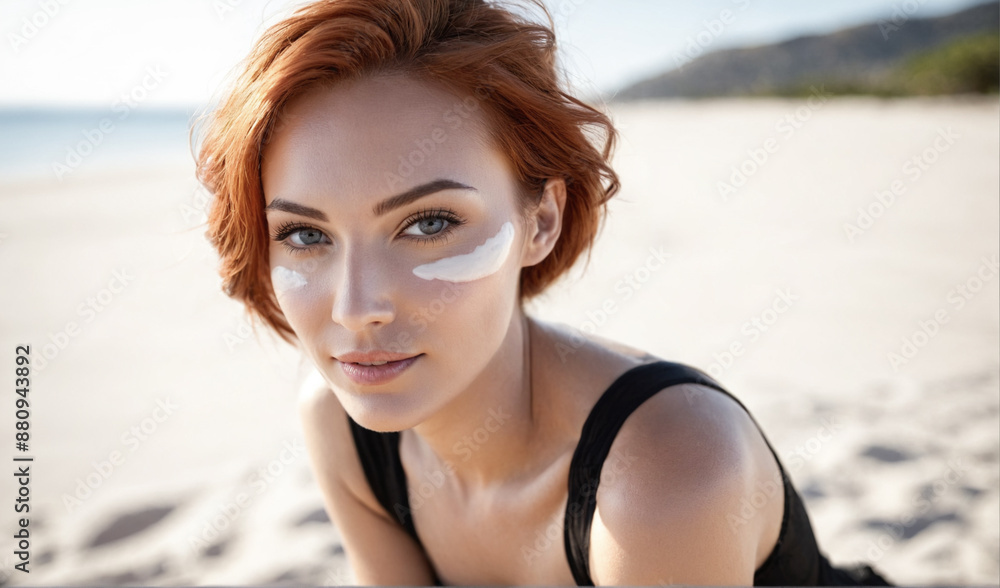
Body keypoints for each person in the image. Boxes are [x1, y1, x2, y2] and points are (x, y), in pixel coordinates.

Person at [194, 0, 895, 584]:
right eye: (305, 236)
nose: (355, 308)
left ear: (541, 219)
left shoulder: (665, 472)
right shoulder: (342, 428)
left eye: (428, 223)